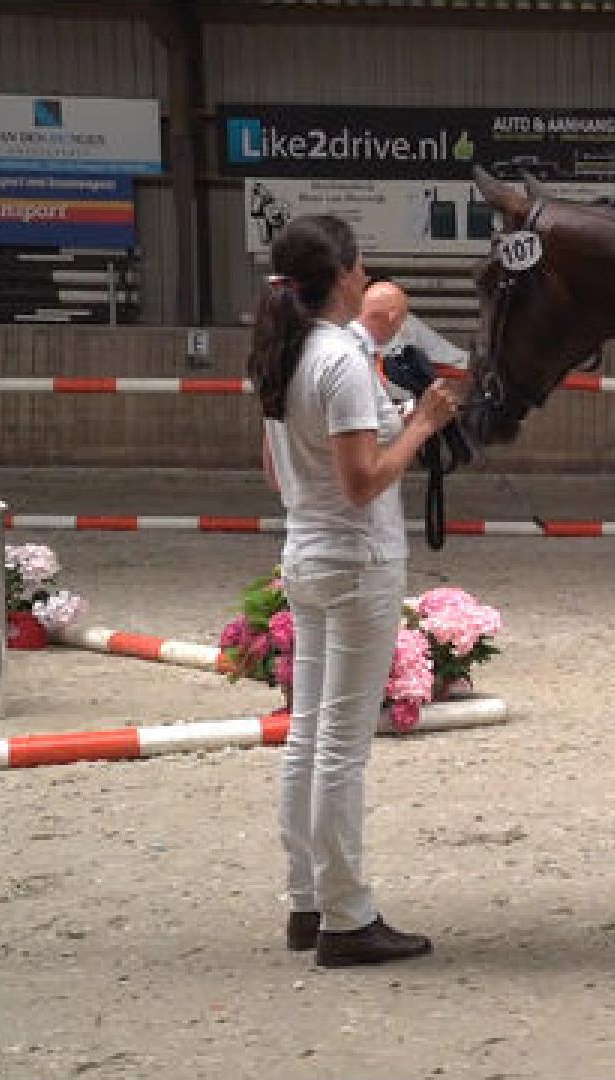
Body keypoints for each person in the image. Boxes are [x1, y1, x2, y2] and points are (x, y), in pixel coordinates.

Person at [249, 214, 459, 968]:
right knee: (340, 745)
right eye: (360, 265)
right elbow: (363, 481)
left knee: (308, 736)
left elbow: (276, 473)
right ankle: (346, 916)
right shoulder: (339, 358)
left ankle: (307, 901)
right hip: (356, 561)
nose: (366, 274)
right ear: (341, 275)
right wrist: (422, 426)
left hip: (305, 550)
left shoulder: (283, 351)